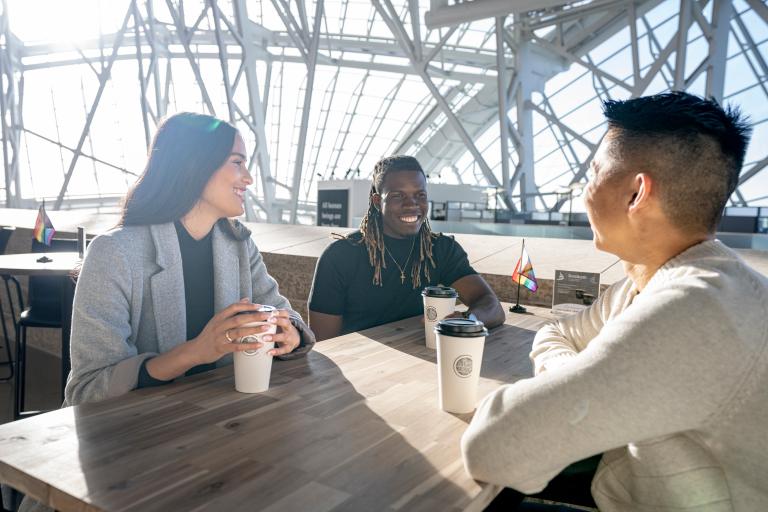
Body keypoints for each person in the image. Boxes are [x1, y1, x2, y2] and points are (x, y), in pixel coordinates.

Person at [461, 91, 768, 511]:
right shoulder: (650, 282)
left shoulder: (692, 311)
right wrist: (578, 376)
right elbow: (557, 331)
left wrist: (574, 387)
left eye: (593, 174)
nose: (584, 192)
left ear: (636, 194)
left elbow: (491, 445)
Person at [64, 112, 315, 406]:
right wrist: (196, 351)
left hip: (219, 419)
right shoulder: (113, 253)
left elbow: (288, 317)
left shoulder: (239, 245)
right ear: (195, 167)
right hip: (137, 432)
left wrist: (291, 336)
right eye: (237, 162)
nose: (248, 178)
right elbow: (89, 387)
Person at [308, 155, 505, 341]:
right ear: (378, 202)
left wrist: (467, 321)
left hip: (422, 366)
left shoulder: (441, 249)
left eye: (420, 195)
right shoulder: (340, 256)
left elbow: (492, 306)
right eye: (397, 196)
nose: (412, 205)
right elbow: (325, 345)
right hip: (356, 369)